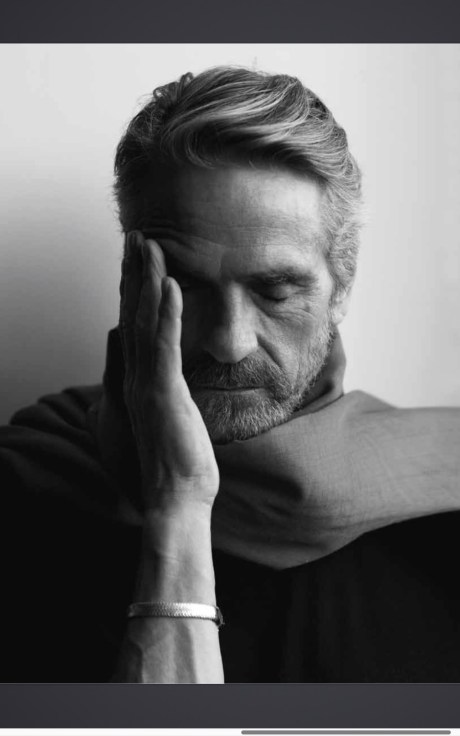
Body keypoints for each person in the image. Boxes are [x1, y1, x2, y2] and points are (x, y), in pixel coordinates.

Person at [1, 66, 459, 684]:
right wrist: (180, 502)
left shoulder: (440, 512)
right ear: (131, 281)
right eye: (187, 284)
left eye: (276, 291)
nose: (228, 342)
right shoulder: (27, 490)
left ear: (342, 289)